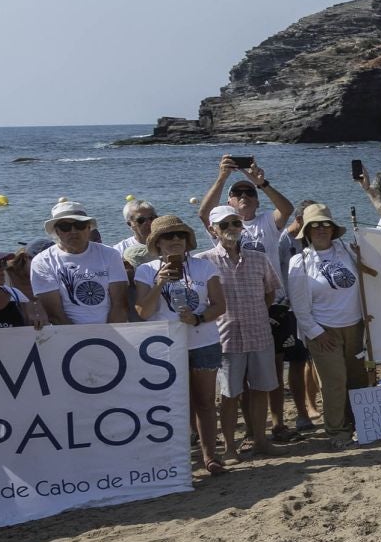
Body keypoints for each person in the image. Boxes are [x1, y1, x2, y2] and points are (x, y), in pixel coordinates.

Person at [133, 215, 227, 473]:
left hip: (203, 341)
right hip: (165, 347)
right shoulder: (146, 271)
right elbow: (143, 312)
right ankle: (179, 458)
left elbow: (220, 305)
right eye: (168, 236)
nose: (175, 240)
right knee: (174, 403)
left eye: (180, 235)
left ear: (187, 240)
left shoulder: (204, 267)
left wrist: (198, 318)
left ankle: (210, 457)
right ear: (157, 242)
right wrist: (160, 282)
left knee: (205, 402)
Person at [201, 205, 284, 459]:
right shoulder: (203, 262)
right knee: (229, 395)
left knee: (261, 390)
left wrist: (257, 312)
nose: (231, 228)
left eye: (235, 223)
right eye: (224, 225)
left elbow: (270, 292)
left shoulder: (259, 258)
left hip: (259, 334)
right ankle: (229, 448)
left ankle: (260, 441)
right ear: (213, 230)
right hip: (226, 339)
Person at [287, 204, 371, 434]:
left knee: (357, 379)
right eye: (314, 225)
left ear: (333, 229)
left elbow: (374, 271)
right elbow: (299, 307)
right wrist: (316, 333)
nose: (321, 229)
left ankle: (360, 425)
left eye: (326, 224)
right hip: (324, 331)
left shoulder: (349, 251)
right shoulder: (300, 262)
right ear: (307, 231)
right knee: (334, 382)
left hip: (356, 327)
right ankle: (336, 430)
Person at [30, 200, 132, 325]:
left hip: (112, 328)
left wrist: (106, 333)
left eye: (80, 225)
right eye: (65, 227)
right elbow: (55, 314)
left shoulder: (110, 254)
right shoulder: (42, 261)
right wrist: (79, 335)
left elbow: (120, 305)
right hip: (68, 332)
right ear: (57, 231)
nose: (73, 231)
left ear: (89, 228)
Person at [0, 246, 47, 328]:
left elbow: (34, 322)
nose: (2, 269)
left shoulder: (15, 295)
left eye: (3, 263)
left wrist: (37, 322)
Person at [116, 200, 158, 269]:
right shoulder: (120, 250)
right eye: (141, 220)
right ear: (130, 224)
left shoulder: (170, 241)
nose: (149, 223)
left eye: (152, 218)